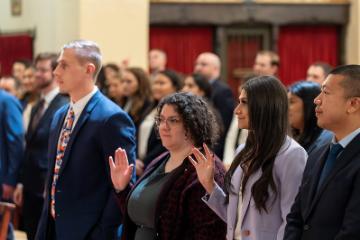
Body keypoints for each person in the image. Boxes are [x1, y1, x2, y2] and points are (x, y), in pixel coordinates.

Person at [35, 40, 136, 240]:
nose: (56, 72)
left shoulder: (111, 118)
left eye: (64, 65)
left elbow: (121, 184)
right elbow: (55, 174)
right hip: (53, 226)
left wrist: (103, 231)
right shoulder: (60, 114)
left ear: (88, 69)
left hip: (88, 231)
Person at [190, 76, 307, 240]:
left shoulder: (293, 154)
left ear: (265, 106)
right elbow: (236, 218)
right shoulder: (242, 150)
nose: (237, 110)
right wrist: (210, 185)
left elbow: (291, 221)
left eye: (244, 102)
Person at [109, 92, 227, 240]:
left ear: (192, 124)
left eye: (173, 120)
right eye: (161, 120)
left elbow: (211, 232)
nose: (164, 127)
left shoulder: (208, 168)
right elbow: (142, 215)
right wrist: (123, 189)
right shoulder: (160, 160)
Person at [284, 65, 360, 240]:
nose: (317, 100)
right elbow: (296, 217)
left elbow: (353, 231)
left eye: (325, 93)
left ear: (353, 104)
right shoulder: (317, 153)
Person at [13, 53, 69, 240]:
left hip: (47, 186)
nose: (37, 74)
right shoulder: (37, 105)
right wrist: (21, 182)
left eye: (43, 70)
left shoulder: (64, 105)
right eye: (36, 69)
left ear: (55, 72)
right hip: (30, 185)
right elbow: (29, 147)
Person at [136, 69, 183, 176]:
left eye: (161, 83)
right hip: (142, 164)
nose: (156, 87)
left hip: (160, 164)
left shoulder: (178, 110)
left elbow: (167, 140)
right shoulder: (149, 107)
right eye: (154, 83)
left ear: (175, 87)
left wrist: (145, 163)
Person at [194, 52, 235, 158]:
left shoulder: (222, 90)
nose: (198, 68)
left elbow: (223, 126)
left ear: (215, 68)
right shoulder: (198, 89)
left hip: (214, 151)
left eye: (203, 64)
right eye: (197, 64)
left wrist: (213, 154)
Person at [0, 88, 24, 240]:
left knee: (2, 228)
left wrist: (10, 180)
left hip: (2, 180)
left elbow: (16, 142)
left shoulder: (7, 101)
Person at [288, 81, 332, 155]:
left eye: (291, 102)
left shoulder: (323, 144)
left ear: (309, 106)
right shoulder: (289, 138)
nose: (286, 107)